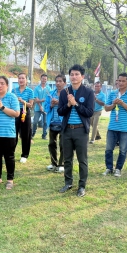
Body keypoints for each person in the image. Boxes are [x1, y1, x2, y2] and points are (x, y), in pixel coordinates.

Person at [57, 65, 94, 197]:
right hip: (67, 130)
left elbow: (89, 112)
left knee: (82, 159)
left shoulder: (88, 92)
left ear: (82, 77)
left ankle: (82, 186)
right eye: (72, 74)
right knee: (67, 159)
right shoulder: (64, 92)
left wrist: (76, 104)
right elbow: (60, 111)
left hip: (81, 131)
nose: (74, 77)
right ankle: (68, 182)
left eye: (77, 74)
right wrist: (68, 104)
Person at [103, 72, 127, 177]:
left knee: (123, 150)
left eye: (123, 81)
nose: (121, 83)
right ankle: (109, 168)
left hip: (125, 127)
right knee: (109, 149)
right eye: (119, 81)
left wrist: (122, 103)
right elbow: (106, 108)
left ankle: (118, 169)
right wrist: (114, 104)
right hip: (112, 126)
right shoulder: (113, 93)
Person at [44, 74, 66, 173]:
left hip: (63, 123)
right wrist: (52, 105)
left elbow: (69, 108)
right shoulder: (51, 94)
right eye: (56, 81)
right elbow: (46, 108)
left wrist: (60, 103)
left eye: (60, 81)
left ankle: (62, 164)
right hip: (52, 122)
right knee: (51, 144)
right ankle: (53, 163)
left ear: (64, 83)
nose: (58, 83)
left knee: (63, 144)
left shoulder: (67, 94)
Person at [13, 73, 34, 163]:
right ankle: (11, 152)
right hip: (15, 112)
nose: (21, 80)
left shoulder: (30, 91)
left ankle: (24, 155)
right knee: (13, 134)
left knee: (26, 134)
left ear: (26, 80)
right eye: (19, 78)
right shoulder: (13, 90)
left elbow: (31, 105)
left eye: (23, 78)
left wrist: (22, 101)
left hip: (25, 112)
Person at [32, 74, 50, 140]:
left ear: (47, 80)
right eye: (43, 79)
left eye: (45, 79)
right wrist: (40, 106)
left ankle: (44, 135)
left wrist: (42, 100)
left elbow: (49, 98)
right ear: (40, 79)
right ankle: (32, 134)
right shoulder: (37, 88)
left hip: (46, 108)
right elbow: (36, 99)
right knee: (35, 121)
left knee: (45, 122)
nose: (44, 80)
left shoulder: (48, 88)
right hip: (37, 108)